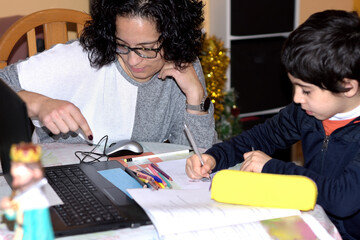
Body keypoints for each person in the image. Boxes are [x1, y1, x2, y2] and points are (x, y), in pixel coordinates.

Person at [186, 10, 360, 240]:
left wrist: (271, 167)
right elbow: (259, 138)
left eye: (306, 90)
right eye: (295, 87)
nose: (297, 98)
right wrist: (215, 157)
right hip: (314, 222)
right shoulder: (306, 112)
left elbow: (342, 198)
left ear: (347, 87)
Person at [0, 0, 217, 148]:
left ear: (173, 39)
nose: (133, 60)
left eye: (147, 48)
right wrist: (40, 104)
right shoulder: (82, 58)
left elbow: (196, 160)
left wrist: (196, 98)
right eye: (122, 44)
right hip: (62, 180)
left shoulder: (181, 67)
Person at [1, 143, 54, 240]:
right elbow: (13, 216)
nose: (14, 172)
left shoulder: (37, 202)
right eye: (14, 166)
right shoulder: (22, 193)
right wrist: (8, 207)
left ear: (36, 173)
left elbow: (41, 232)